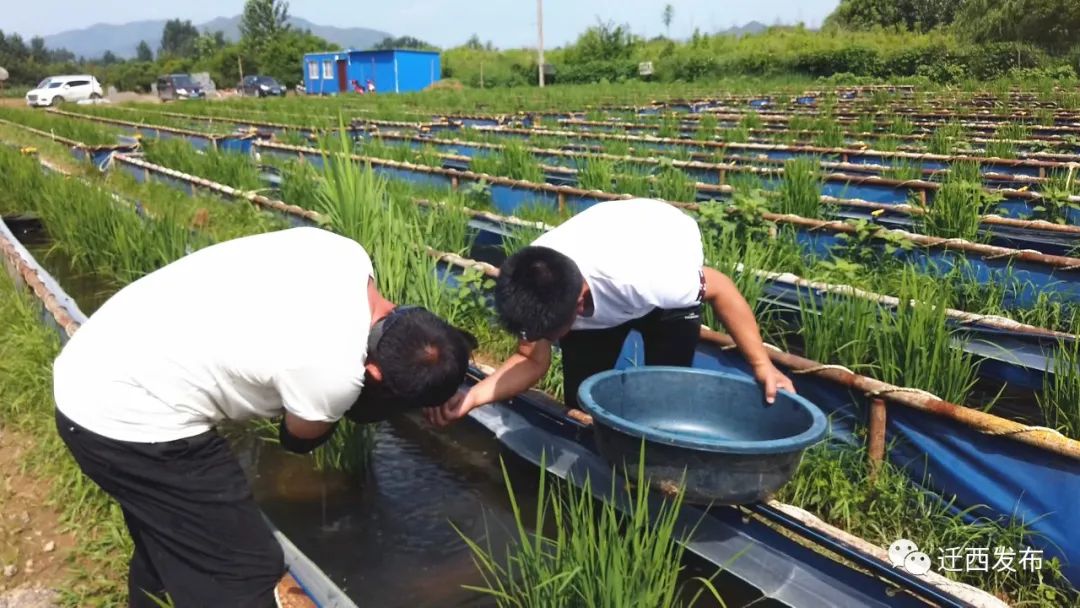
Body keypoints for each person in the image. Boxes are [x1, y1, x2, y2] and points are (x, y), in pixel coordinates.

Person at [52, 227, 475, 608]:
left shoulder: (348, 256)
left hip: (104, 352)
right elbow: (298, 439)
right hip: (128, 415)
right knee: (246, 568)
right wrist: (353, 404)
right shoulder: (333, 371)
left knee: (170, 528)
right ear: (376, 374)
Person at [426, 198, 794, 426]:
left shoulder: (652, 279)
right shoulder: (534, 277)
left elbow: (721, 289)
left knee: (667, 390)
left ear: (581, 303)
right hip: (606, 242)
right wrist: (471, 398)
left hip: (663, 239)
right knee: (583, 401)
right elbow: (531, 361)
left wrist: (762, 365)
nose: (551, 343)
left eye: (556, 333)